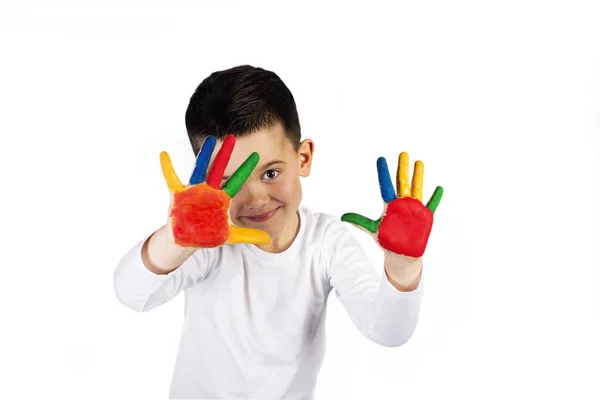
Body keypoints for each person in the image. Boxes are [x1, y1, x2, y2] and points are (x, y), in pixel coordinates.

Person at [113, 64, 442, 399]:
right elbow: (132, 293)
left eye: (270, 173)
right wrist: (177, 239)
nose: (256, 198)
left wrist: (403, 266)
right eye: (230, 182)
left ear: (303, 157)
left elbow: (388, 330)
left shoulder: (325, 242)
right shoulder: (209, 245)